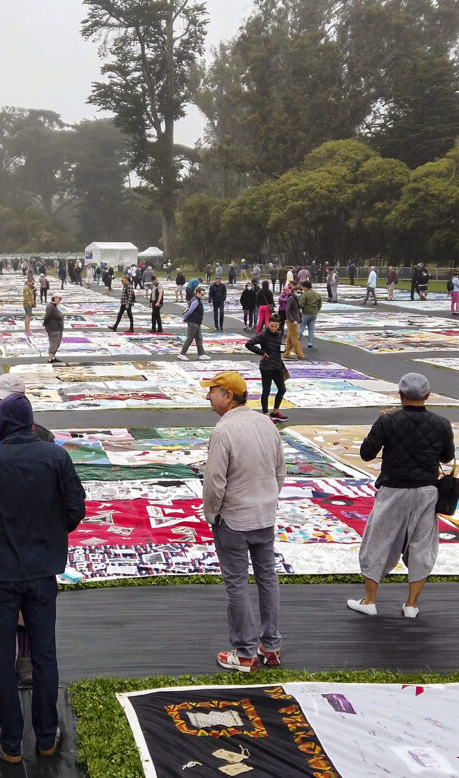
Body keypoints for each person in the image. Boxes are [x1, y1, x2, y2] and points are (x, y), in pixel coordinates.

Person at [0, 393, 84, 763]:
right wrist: (53, 533)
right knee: (44, 654)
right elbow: (76, 508)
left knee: (1, 657)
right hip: (42, 569)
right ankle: (46, 737)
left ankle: (10, 742)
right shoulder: (56, 455)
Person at [347, 373, 455, 618]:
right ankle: (411, 605)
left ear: (400, 394)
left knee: (377, 541)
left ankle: (370, 600)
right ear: (427, 396)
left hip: (393, 490)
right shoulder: (441, 423)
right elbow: (447, 457)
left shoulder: (388, 421)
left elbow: (366, 454)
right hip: (427, 492)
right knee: (422, 545)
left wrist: (380, 425)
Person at [199, 371, 286, 672]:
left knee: (236, 583)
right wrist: (267, 499)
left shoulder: (224, 431)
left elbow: (214, 484)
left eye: (212, 391)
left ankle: (246, 653)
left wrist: (212, 515)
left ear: (227, 396)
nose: (207, 396)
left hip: (233, 519)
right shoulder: (266, 422)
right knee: (267, 578)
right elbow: (280, 471)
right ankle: (271, 646)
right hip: (264, 515)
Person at [245, 314, 287, 421]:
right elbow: (249, 344)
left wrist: (283, 349)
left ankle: (275, 412)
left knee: (282, 389)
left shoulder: (279, 334)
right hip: (266, 366)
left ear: (279, 325)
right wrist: (261, 352)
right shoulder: (263, 335)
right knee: (266, 391)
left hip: (277, 365)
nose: (273, 328)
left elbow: (278, 348)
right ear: (268, 324)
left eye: (276, 326)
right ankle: (265, 413)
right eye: (272, 326)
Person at [177, 286, 209, 361]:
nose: (202, 296)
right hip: (193, 322)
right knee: (190, 338)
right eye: (201, 294)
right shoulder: (196, 301)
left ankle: (201, 354)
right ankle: (182, 354)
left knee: (198, 338)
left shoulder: (197, 300)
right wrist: (185, 319)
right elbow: (190, 311)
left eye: (203, 294)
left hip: (197, 322)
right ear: (197, 293)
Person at [281, 283, 305, 360]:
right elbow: (287, 310)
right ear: (294, 290)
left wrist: (298, 310)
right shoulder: (291, 298)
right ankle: (299, 354)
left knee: (290, 338)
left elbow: (292, 309)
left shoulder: (295, 298)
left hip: (294, 320)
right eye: (298, 292)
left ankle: (286, 353)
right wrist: (293, 320)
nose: (299, 294)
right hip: (292, 321)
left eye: (301, 293)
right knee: (295, 338)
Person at [297, 280, 321, 350]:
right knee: (311, 329)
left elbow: (301, 303)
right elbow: (319, 304)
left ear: (305, 287)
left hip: (306, 313)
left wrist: (301, 308)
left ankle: (298, 341)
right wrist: (317, 310)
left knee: (301, 328)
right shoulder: (317, 293)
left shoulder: (305, 294)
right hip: (314, 313)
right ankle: (310, 343)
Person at [43, 293, 64, 363]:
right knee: (54, 343)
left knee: (57, 343)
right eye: (59, 299)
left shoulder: (54, 306)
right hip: (53, 328)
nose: (60, 300)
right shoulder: (50, 306)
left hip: (58, 328)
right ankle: (50, 359)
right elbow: (47, 317)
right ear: (54, 298)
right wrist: (45, 324)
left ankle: (53, 357)